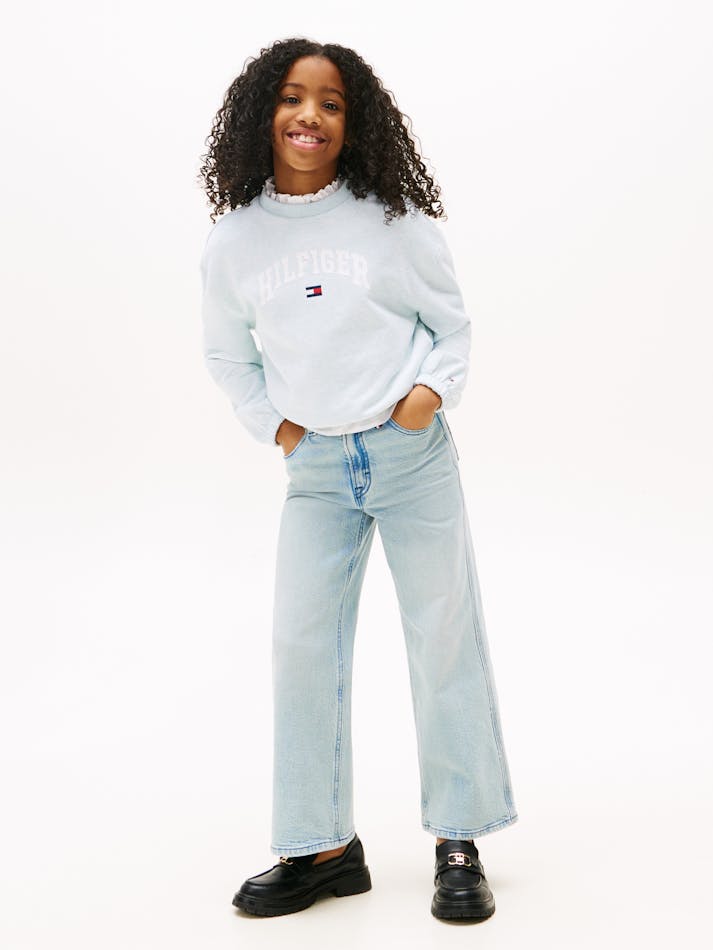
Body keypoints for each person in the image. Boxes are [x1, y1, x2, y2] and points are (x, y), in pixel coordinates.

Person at [197, 37, 519, 922]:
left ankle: (458, 837)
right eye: (292, 98)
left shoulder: (390, 220)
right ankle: (320, 846)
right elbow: (226, 354)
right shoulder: (236, 239)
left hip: (411, 459)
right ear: (262, 112)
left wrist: (425, 397)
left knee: (442, 638)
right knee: (301, 646)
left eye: (331, 103)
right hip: (316, 472)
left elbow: (450, 328)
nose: (310, 116)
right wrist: (278, 427)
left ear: (354, 121)